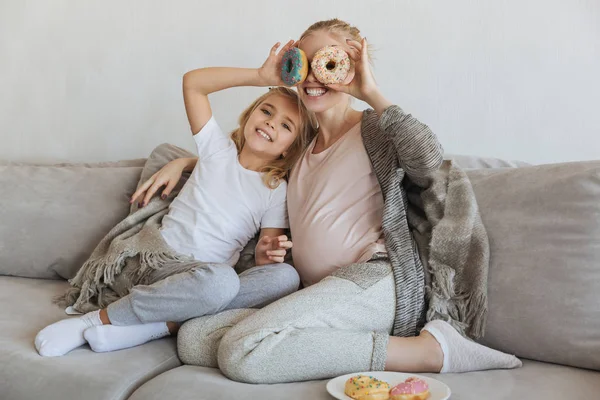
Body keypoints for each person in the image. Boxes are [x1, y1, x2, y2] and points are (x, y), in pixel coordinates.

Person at [144, 19, 522, 383]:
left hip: (371, 282)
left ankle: (430, 353)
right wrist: (187, 162)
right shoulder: (298, 148)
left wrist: (369, 90)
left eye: (328, 63)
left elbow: (428, 159)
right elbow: (245, 164)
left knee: (241, 351)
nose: (313, 77)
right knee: (192, 338)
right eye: (305, 63)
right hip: (312, 294)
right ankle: (306, 347)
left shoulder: (373, 128)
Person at [34, 41, 315, 357]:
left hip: (201, 281)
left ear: (290, 148)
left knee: (284, 277)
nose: (269, 123)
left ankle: (153, 327)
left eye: (285, 125)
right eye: (266, 111)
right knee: (222, 283)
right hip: (158, 265)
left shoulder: (275, 191)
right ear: (250, 114)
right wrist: (261, 76)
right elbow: (193, 84)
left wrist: (267, 254)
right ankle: (95, 320)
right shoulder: (217, 151)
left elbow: (265, 259)